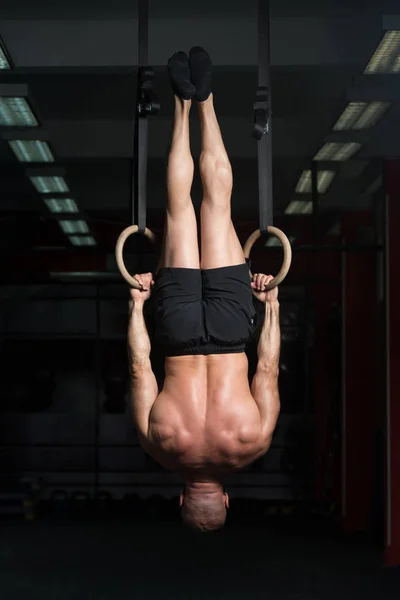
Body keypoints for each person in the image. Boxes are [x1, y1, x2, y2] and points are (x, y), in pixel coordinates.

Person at [128, 48, 280, 531]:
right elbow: (137, 367)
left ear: (228, 500)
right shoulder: (159, 444)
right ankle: (182, 104)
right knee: (179, 210)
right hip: (176, 332)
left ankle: (207, 100)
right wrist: (138, 306)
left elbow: (269, 367)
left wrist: (270, 306)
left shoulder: (252, 442)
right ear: (180, 500)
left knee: (217, 206)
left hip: (234, 331)